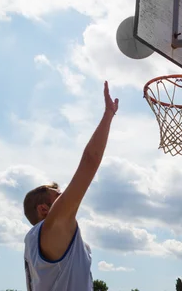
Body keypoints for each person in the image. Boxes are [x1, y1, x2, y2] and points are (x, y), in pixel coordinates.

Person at [22, 81, 119, 291]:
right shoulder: (50, 228)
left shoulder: (35, 244)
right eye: (58, 196)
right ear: (44, 209)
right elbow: (89, 161)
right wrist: (108, 115)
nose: (66, 196)